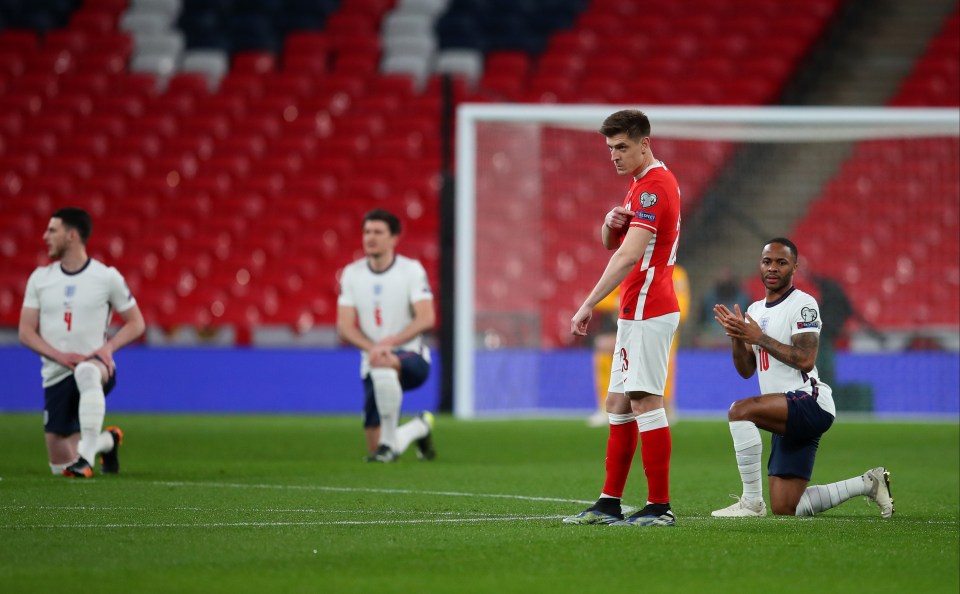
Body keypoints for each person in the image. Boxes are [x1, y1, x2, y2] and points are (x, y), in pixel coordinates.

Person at [710, 238, 894, 518]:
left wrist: (758, 337)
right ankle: (868, 483)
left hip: (809, 402)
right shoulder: (756, 310)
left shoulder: (803, 304)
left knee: (740, 411)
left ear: (794, 267)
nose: (772, 268)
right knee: (787, 507)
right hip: (785, 412)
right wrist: (737, 337)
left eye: (781, 262)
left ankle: (751, 503)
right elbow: (747, 370)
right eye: (767, 261)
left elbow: (806, 358)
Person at [564, 109, 682, 527]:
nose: (614, 155)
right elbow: (613, 242)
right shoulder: (638, 187)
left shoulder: (654, 187)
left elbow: (629, 254)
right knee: (618, 402)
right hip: (636, 308)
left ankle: (660, 506)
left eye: (622, 147)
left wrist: (587, 303)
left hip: (650, 306)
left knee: (646, 401)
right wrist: (607, 224)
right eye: (610, 148)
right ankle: (609, 502)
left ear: (644, 143)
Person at [18, 207, 145, 477]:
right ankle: (107, 442)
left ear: (72, 235)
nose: (45, 236)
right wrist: (59, 356)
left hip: (96, 368)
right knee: (59, 467)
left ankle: (86, 459)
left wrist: (107, 349)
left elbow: (137, 323)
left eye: (52, 230)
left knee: (87, 371)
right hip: (56, 373)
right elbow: (25, 331)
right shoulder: (40, 279)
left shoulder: (106, 277)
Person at [336, 208, 437, 463]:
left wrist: (389, 343)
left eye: (378, 232)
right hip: (373, 359)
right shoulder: (352, 274)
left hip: (411, 356)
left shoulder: (410, 270)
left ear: (394, 238)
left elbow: (426, 318)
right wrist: (373, 348)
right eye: (367, 232)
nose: (371, 237)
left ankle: (389, 447)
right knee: (374, 446)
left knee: (383, 362)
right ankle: (419, 427)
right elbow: (345, 327)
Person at [588, 263, 688, 427]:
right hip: (632, 329)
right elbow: (599, 299)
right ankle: (606, 407)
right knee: (604, 346)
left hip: (660, 332)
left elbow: (682, 310)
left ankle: (666, 406)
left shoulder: (676, 274)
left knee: (663, 359)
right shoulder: (630, 269)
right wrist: (623, 302)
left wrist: (641, 305)